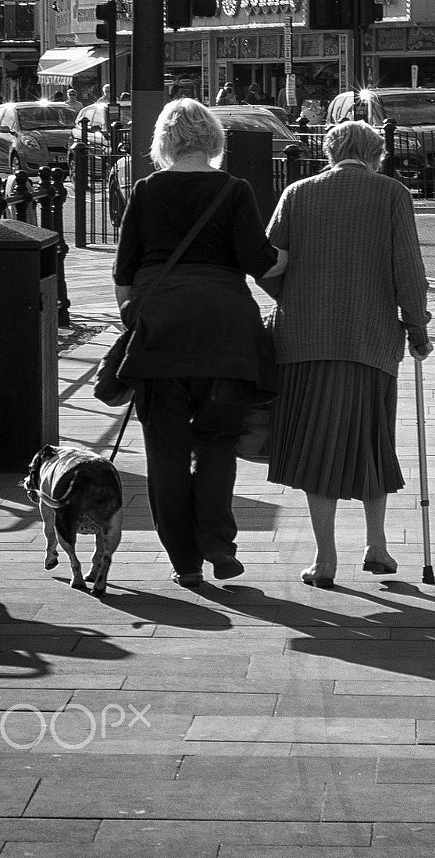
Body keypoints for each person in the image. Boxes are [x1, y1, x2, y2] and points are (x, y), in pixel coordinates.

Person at [112, 98, 286, 586]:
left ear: (163, 142)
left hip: (162, 336)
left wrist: (135, 319)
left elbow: (124, 272)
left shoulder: (145, 192)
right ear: (213, 139)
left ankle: (185, 562)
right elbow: (259, 260)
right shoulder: (233, 190)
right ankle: (218, 543)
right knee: (216, 447)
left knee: (164, 454)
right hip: (226, 336)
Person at [264, 120, 433, 589]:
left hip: (304, 341)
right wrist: (416, 327)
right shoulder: (391, 193)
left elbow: (268, 262)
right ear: (376, 154)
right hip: (371, 340)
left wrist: (290, 296)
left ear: (329, 150)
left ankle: (325, 559)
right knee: (370, 441)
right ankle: (376, 545)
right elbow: (409, 269)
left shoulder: (297, 193)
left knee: (318, 446)